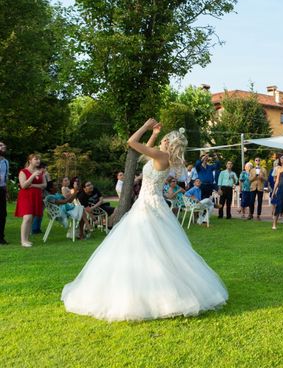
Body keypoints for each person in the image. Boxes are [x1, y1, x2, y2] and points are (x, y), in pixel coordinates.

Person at [61, 118, 228, 321]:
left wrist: (145, 127)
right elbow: (144, 154)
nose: (162, 140)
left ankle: (155, 294)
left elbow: (132, 142)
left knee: (146, 247)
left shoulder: (161, 155)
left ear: (168, 143)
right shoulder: (162, 157)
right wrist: (155, 134)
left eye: (164, 138)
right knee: (156, 248)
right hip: (150, 204)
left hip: (149, 206)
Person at [14, 154, 47, 247]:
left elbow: (44, 185)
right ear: (30, 160)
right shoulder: (23, 172)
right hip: (26, 196)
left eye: (39, 159)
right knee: (27, 217)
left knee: (31, 218)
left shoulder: (41, 172)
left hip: (36, 196)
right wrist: (32, 176)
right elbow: (23, 185)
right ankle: (23, 240)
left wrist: (33, 185)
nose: (38, 161)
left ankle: (27, 239)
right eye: (36, 159)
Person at [0, 141, 8, 245]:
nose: (4, 146)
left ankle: (1, 237)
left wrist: (6, 191)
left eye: (3, 145)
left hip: (1, 189)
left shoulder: (6, 162)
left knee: (2, 214)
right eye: (1, 145)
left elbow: (5, 178)